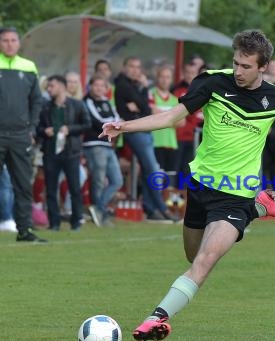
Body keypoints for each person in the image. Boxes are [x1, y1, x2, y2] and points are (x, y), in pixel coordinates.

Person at [99, 29, 275, 341]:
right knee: (193, 256)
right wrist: (124, 126)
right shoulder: (212, 82)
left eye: (246, 66)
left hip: (234, 197)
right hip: (201, 186)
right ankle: (259, 207)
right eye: (236, 63)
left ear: (263, 66)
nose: (239, 71)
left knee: (205, 262)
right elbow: (173, 117)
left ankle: (156, 318)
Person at [114, 56, 177, 222]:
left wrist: (142, 96)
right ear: (125, 68)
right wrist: (142, 101)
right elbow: (145, 106)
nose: (135, 70)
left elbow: (144, 106)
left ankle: (150, 209)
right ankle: (162, 209)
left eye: (138, 67)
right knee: (152, 169)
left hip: (144, 129)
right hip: (135, 131)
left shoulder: (137, 86)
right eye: (132, 66)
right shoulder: (122, 85)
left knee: (150, 169)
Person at [0, 27, 46, 242]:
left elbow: (36, 101)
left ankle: (25, 230)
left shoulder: (29, 67)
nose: (9, 44)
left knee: (22, 184)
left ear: (19, 43)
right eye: (5, 40)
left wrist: (32, 127)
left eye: (13, 40)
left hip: (20, 136)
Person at [37, 75, 90, 231]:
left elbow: (87, 124)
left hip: (70, 152)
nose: (48, 89)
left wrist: (70, 129)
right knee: (51, 189)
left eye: (51, 86)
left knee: (74, 188)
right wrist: (44, 131)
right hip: (50, 152)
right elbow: (37, 127)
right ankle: (54, 223)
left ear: (61, 86)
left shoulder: (77, 105)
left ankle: (76, 222)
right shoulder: (45, 106)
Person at [83, 75, 124, 227]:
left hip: (107, 145)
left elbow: (117, 119)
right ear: (90, 87)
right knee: (98, 180)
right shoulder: (87, 101)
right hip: (93, 144)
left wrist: (115, 124)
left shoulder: (107, 102)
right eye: (96, 85)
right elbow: (98, 121)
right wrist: (113, 125)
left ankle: (98, 208)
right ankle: (100, 213)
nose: (99, 88)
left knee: (117, 180)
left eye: (102, 86)